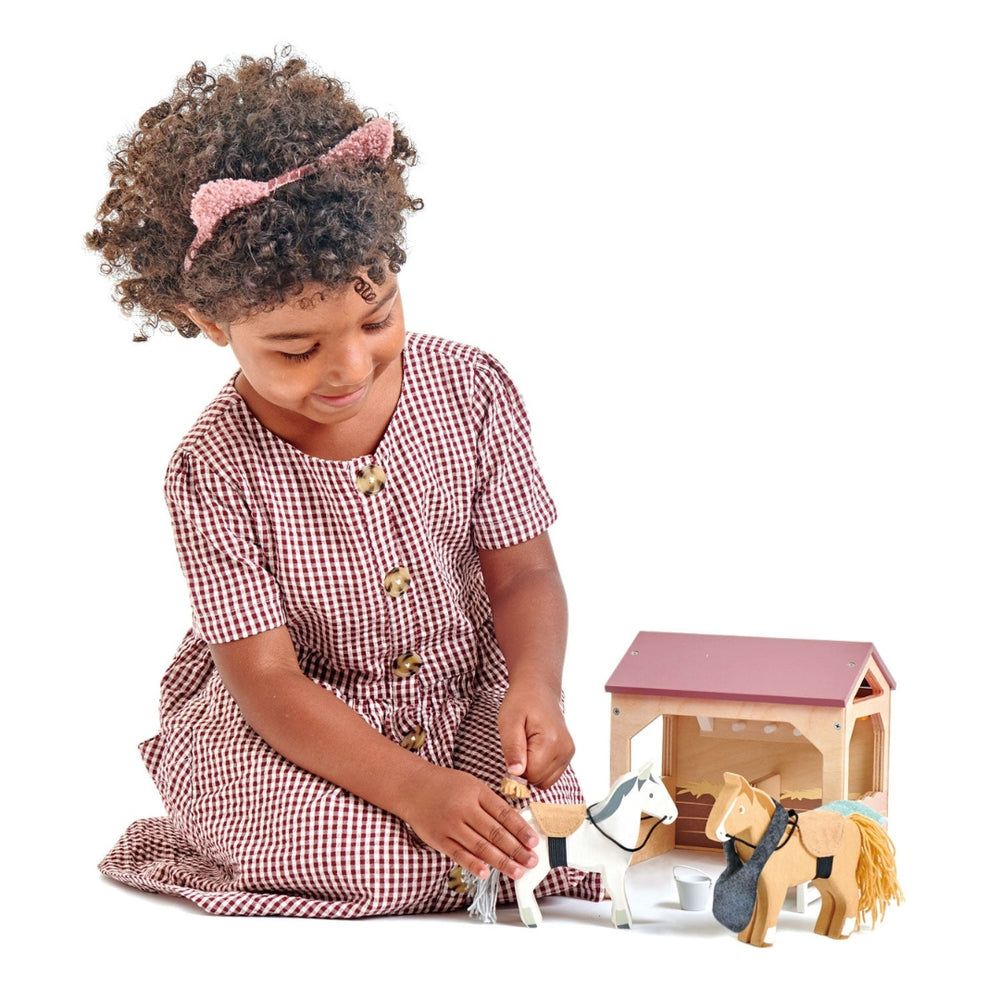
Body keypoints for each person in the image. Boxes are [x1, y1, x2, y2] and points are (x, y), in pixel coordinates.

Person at [88, 51, 602, 918]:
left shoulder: (472, 389)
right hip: (299, 721)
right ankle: (212, 835)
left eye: (377, 318)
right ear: (209, 321)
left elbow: (523, 574)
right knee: (384, 860)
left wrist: (535, 686)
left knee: (538, 835)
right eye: (297, 349)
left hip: (454, 698)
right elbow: (268, 682)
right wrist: (412, 789)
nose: (350, 368)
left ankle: (457, 834)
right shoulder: (211, 469)